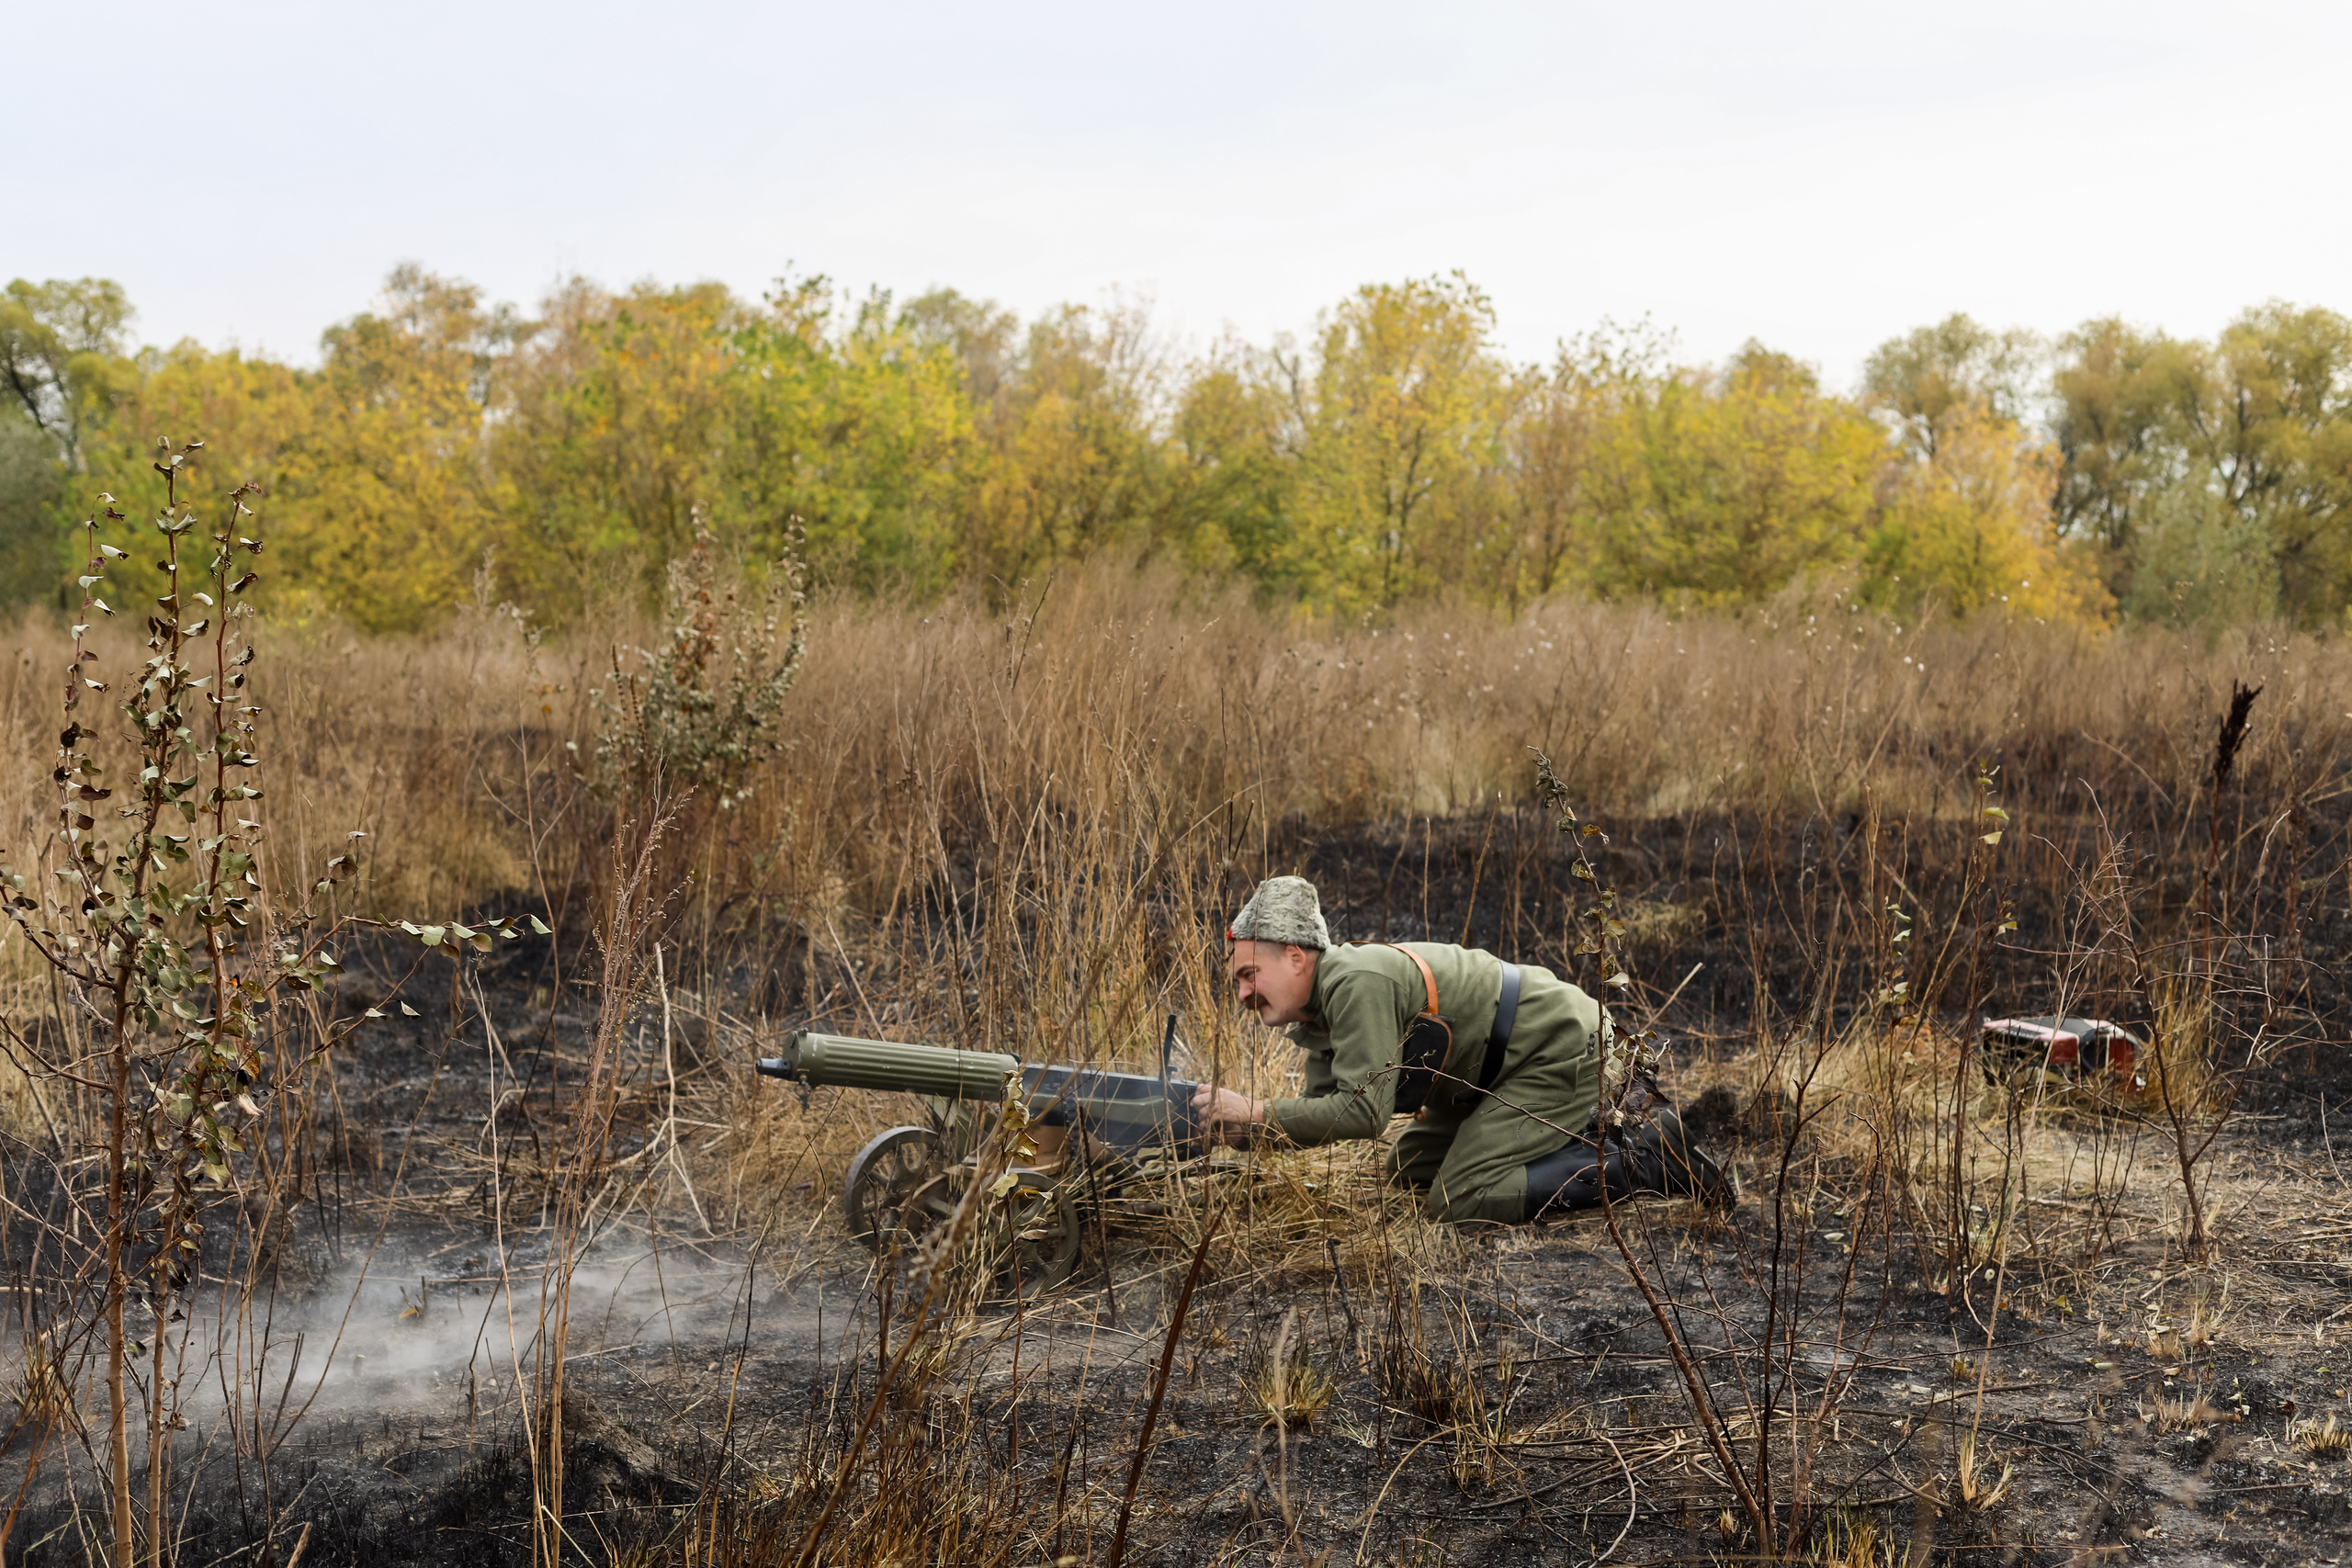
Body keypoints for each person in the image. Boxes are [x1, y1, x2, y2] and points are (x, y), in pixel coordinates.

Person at [1189, 875, 1727, 1224]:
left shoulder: (1356, 980)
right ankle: (1575, 1135)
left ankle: (1645, 1161)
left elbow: (1362, 1113)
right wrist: (1238, 1130)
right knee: (1410, 1167)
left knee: (1459, 1197)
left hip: (1560, 1047)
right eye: (1238, 981)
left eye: (1249, 974)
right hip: (1495, 1076)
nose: (1242, 994)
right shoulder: (1320, 1016)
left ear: (1295, 957)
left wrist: (1255, 1112)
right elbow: (1319, 1113)